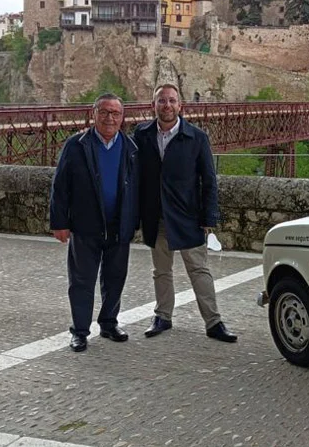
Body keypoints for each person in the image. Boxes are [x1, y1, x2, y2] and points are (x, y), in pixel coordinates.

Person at [134, 83, 237, 343]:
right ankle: (163, 316)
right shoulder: (142, 134)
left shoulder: (196, 137)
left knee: (199, 270)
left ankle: (213, 322)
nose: (166, 105)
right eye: (161, 101)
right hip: (156, 215)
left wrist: (209, 218)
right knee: (161, 271)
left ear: (180, 106)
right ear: (153, 105)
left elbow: (209, 180)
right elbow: (135, 176)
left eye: (171, 100)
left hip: (188, 216)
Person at [50, 93, 139, 352]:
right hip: (85, 225)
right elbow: (60, 186)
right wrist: (59, 222)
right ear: (94, 114)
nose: (109, 118)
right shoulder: (76, 145)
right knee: (82, 281)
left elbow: (138, 187)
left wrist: (135, 221)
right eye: (104, 112)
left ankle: (109, 323)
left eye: (115, 113)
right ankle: (79, 331)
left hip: (119, 225)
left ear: (122, 118)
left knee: (115, 278)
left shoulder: (131, 148)